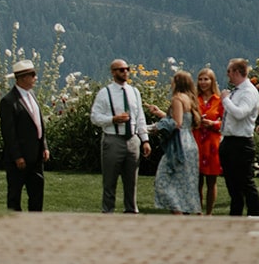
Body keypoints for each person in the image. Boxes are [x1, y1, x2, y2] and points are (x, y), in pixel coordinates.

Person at [90, 58, 151, 213]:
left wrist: (144, 140)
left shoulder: (134, 91)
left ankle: (131, 211)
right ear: (113, 72)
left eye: (127, 69)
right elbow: (95, 117)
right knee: (109, 181)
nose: (125, 72)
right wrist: (112, 119)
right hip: (113, 139)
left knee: (132, 181)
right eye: (121, 69)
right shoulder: (105, 93)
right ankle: (108, 211)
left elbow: (140, 117)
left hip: (132, 140)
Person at [0, 58, 49, 211]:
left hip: (36, 157)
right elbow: (9, 132)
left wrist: (44, 146)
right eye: (33, 75)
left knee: (37, 194)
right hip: (19, 159)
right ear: (23, 78)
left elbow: (39, 123)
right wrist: (17, 156)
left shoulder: (32, 95)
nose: (35, 78)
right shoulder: (9, 101)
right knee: (15, 195)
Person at [154, 70, 202, 214]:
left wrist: (159, 126)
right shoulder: (190, 99)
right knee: (186, 182)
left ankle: (177, 212)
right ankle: (191, 211)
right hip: (190, 141)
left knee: (163, 180)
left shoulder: (177, 99)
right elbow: (183, 119)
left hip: (178, 143)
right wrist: (160, 113)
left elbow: (177, 122)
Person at [219, 58, 259, 216]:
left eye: (229, 72)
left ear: (237, 72)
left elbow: (240, 113)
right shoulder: (237, 91)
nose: (228, 75)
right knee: (232, 185)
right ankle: (235, 216)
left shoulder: (249, 92)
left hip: (241, 143)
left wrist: (225, 100)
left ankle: (254, 215)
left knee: (245, 183)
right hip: (229, 141)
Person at [194, 67, 223, 216]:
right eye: (201, 79)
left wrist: (213, 124)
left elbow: (225, 123)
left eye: (206, 79)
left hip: (212, 143)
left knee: (211, 181)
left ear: (212, 81)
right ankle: (198, 212)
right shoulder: (194, 99)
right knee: (197, 181)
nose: (203, 82)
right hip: (197, 141)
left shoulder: (219, 101)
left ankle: (209, 213)